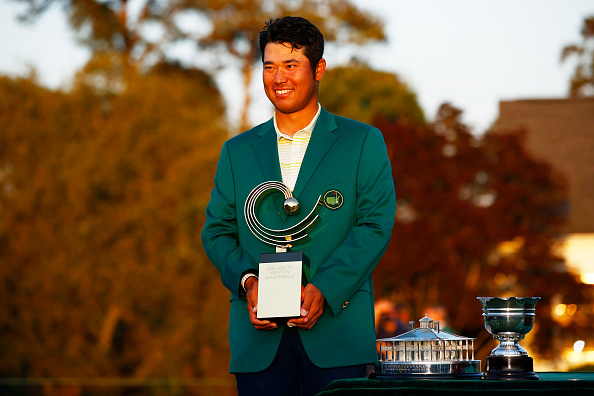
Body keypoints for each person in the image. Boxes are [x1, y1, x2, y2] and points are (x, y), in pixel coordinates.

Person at [201, 16, 396, 396]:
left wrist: (325, 286)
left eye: (291, 65)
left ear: (318, 68)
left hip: (339, 337)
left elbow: (375, 225)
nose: (278, 78)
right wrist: (248, 281)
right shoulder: (236, 151)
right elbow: (217, 231)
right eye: (269, 66)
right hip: (258, 344)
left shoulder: (362, 142)